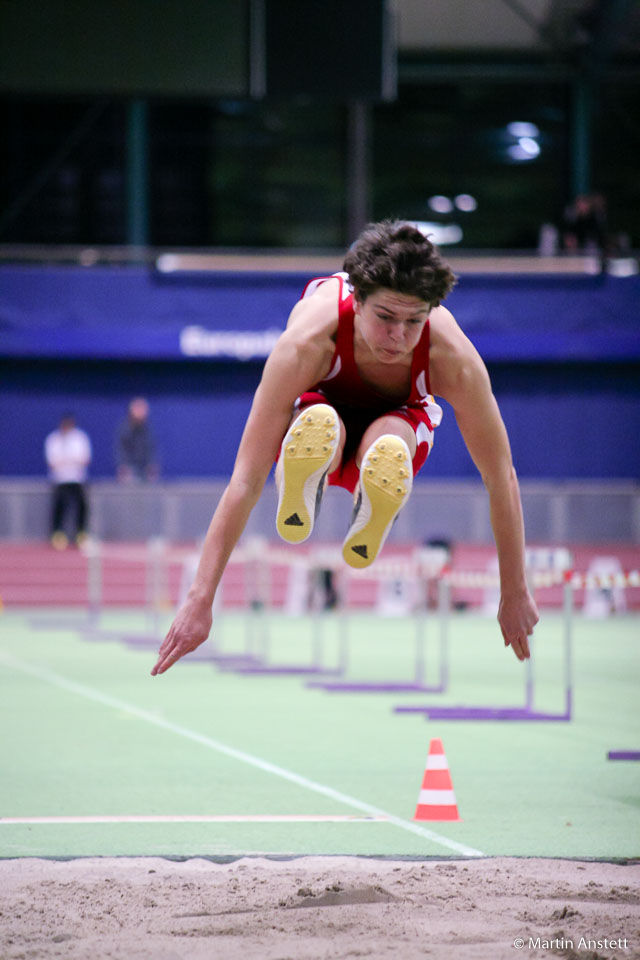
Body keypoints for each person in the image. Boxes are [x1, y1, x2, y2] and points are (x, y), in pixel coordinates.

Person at [152, 220, 539, 675]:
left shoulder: (452, 357)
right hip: (319, 411)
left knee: (392, 441)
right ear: (356, 300)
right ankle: (306, 481)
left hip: (395, 426)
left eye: (415, 321)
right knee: (321, 423)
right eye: (385, 318)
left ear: (431, 311)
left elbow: (501, 476)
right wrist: (201, 599)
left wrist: (513, 589)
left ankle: (368, 503)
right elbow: (246, 477)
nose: (399, 337)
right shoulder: (304, 344)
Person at [44, 412, 92, 549]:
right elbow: (53, 462)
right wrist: (71, 460)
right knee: (60, 507)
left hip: (77, 479)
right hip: (60, 480)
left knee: (82, 506)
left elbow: (84, 459)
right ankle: (58, 534)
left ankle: (81, 533)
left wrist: (66, 461)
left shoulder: (80, 438)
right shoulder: (53, 439)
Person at [116, 397, 158, 482]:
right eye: (138, 409)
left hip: (145, 469)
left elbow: (152, 449)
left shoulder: (148, 430)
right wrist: (123, 467)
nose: (142, 412)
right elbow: (120, 450)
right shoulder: (124, 430)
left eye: (143, 410)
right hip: (130, 470)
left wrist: (152, 466)